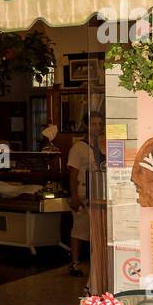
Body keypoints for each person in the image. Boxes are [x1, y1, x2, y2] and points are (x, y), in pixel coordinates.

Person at [68, 113, 105, 280]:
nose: (97, 127)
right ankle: (74, 262)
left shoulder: (103, 146)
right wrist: (74, 197)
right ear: (86, 126)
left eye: (100, 124)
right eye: (94, 124)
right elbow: (73, 173)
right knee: (80, 229)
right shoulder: (78, 148)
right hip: (84, 193)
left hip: (99, 193)